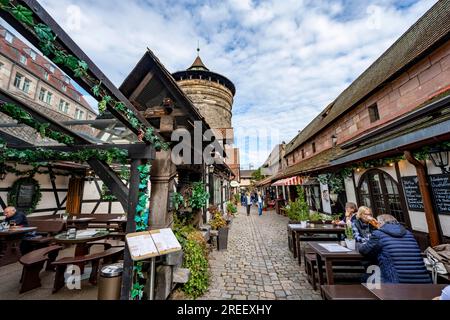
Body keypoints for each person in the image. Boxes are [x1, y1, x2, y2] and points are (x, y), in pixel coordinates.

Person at [359, 214, 431, 284]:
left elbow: (364, 250)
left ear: (380, 223)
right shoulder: (408, 233)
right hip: (423, 280)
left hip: (395, 282)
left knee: (365, 277)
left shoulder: (378, 234)